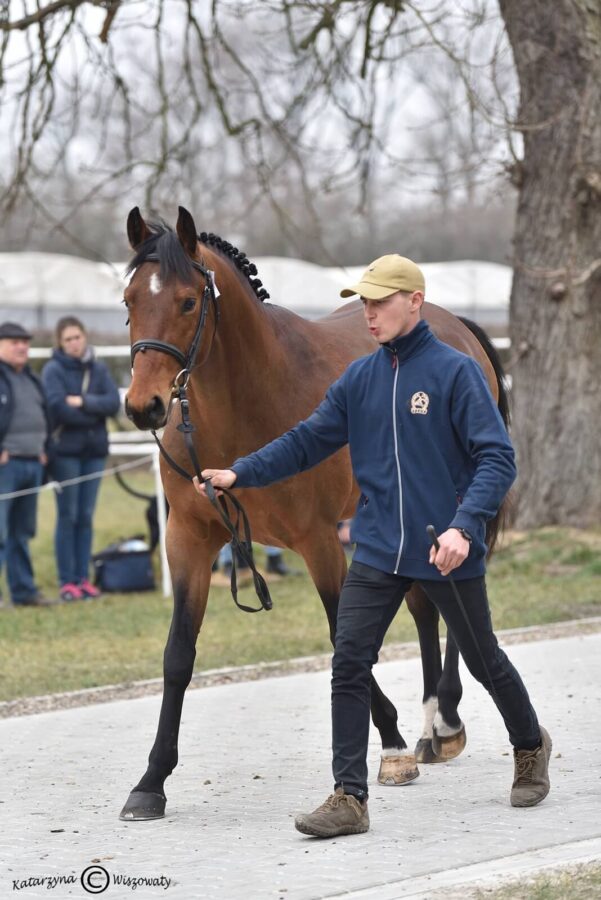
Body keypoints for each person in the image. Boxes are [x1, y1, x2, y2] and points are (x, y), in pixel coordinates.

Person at [193, 254, 552, 838]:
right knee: (348, 664)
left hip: (445, 551)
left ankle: (531, 745)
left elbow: (497, 458)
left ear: (415, 300)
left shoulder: (454, 374)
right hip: (380, 549)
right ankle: (349, 797)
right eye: (363, 302)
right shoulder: (360, 378)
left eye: (380, 301)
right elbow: (307, 441)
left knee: (485, 661)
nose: (369, 313)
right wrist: (240, 472)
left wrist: (464, 527)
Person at [42, 316, 120, 601]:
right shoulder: (53, 370)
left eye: (78, 337)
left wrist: (84, 401)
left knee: (86, 517)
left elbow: (112, 402)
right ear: (60, 343)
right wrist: (91, 412)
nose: (74, 343)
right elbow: (58, 408)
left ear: (84, 337)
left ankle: (83, 579)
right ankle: (67, 581)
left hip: (94, 452)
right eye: (68, 339)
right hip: (66, 454)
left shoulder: (98, 369)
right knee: (68, 516)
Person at [0, 322, 54, 607]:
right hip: (5, 467)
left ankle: (23, 591)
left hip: (33, 463)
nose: (22, 347)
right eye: (13, 342)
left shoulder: (32, 379)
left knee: (22, 532)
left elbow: (44, 415)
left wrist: (44, 450)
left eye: (25, 342)